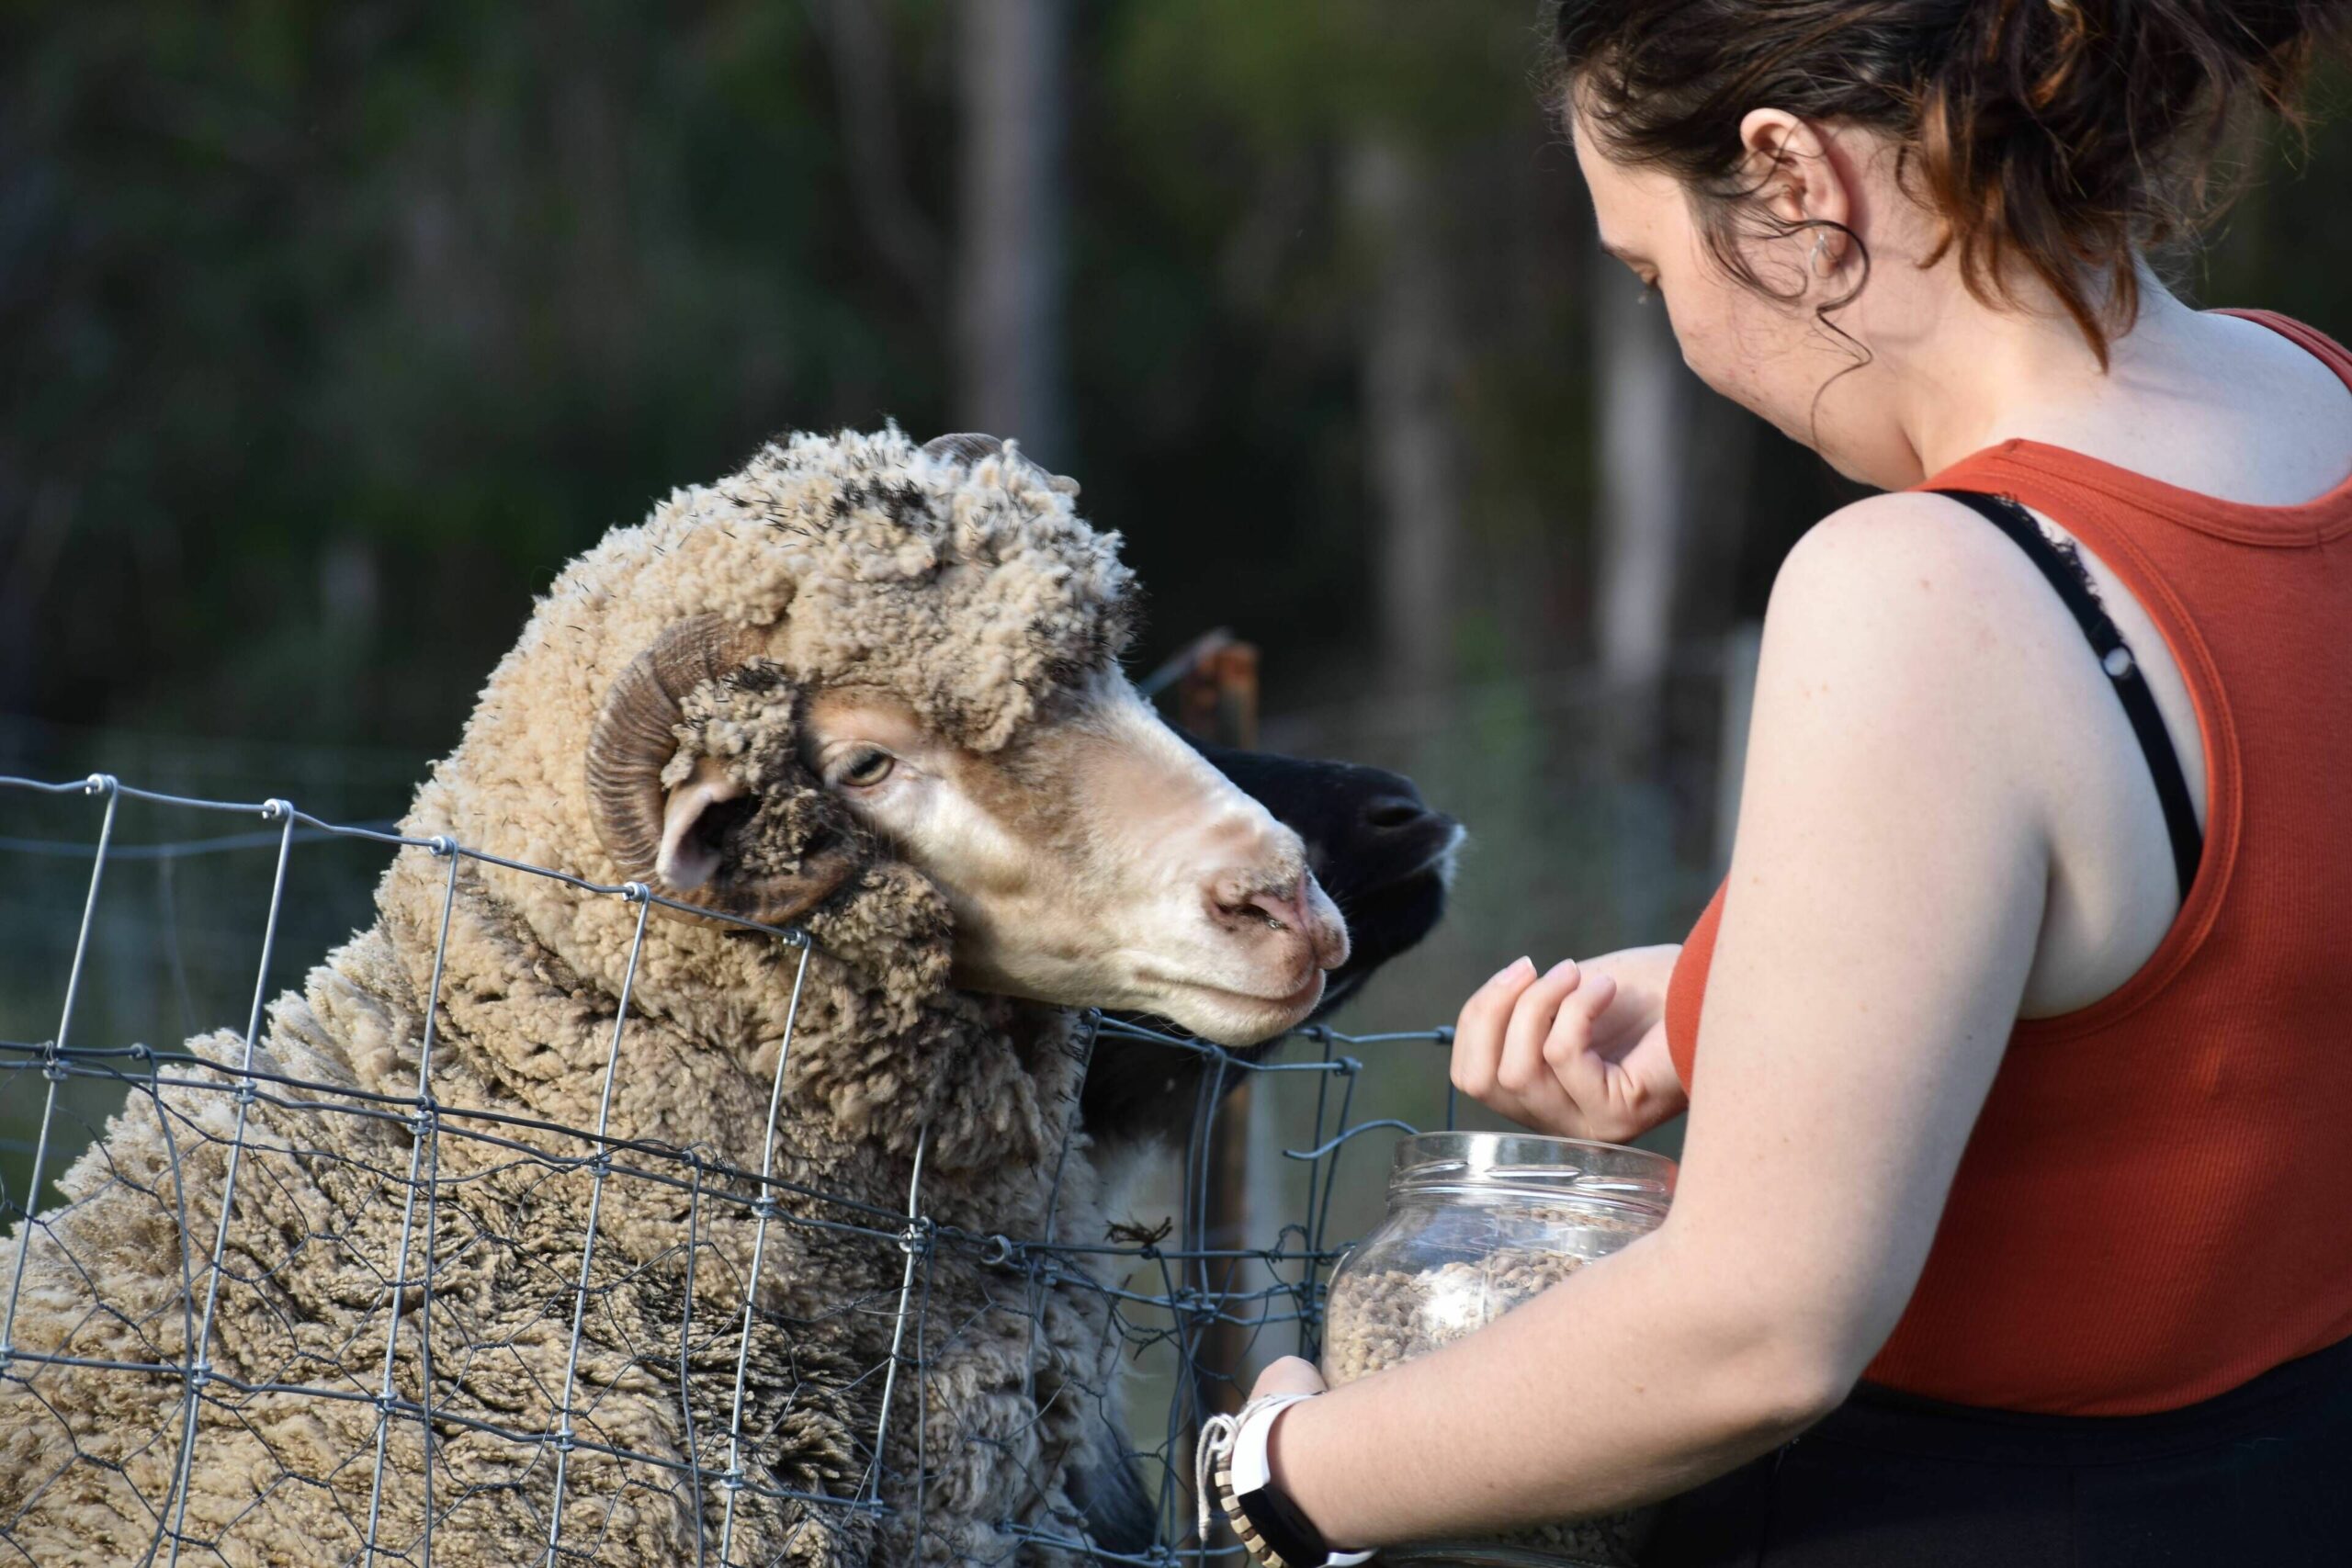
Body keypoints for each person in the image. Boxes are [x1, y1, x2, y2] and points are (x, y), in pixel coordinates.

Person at [1198, 2, 2352, 1563]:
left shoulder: (1934, 589)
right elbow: (2229, 965)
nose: (1676, 333)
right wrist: (1730, 996)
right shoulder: (2311, 402)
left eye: (1649, 268)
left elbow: (1760, 1331)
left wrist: (1280, 1474)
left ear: (1793, 180)